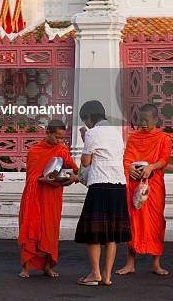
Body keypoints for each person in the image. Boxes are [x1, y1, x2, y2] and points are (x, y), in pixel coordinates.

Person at [75, 100, 131, 286]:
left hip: (99, 184)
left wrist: (85, 138)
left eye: (86, 121)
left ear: (90, 117)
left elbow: (85, 162)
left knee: (94, 232)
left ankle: (95, 273)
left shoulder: (92, 132)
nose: (86, 125)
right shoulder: (116, 132)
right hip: (118, 185)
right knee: (112, 234)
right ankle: (107, 277)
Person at [18, 119, 79, 279]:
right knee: (31, 230)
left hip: (52, 197)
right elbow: (31, 177)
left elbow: (75, 170)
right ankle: (26, 267)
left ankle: (47, 266)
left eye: (62, 138)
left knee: (50, 231)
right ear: (48, 133)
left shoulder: (62, 150)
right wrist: (42, 179)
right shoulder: (34, 151)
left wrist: (72, 178)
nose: (60, 141)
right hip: (35, 196)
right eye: (57, 137)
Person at [116, 103, 172, 277]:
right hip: (135, 186)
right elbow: (127, 158)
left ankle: (156, 264)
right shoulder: (134, 138)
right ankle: (130, 264)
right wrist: (129, 167)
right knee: (134, 224)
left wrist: (151, 167)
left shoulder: (163, 138)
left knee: (156, 223)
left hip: (153, 187)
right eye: (141, 120)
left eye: (147, 120)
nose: (143, 124)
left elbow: (164, 159)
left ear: (156, 120)